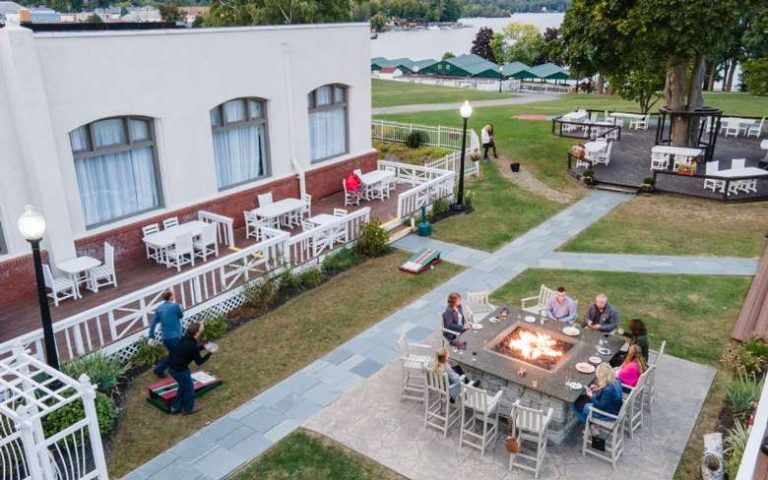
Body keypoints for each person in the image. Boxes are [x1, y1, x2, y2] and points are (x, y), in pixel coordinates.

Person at [167, 322, 212, 414]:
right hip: (180, 370)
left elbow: (192, 349)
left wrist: (203, 346)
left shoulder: (184, 338)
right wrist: (209, 353)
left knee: (183, 386)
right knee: (189, 388)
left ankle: (175, 407)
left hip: (172, 367)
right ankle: (188, 408)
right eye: (200, 331)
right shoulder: (192, 345)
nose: (201, 332)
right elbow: (199, 362)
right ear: (196, 333)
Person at [148, 290, 184, 378]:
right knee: (176, 354)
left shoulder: (159, 308)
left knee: (174, 354)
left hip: (165, 337)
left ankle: (165, 369)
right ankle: (159, 369)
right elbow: (181, 316)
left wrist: (151, 336)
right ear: (170, 297)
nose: (174, 295)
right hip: (174, 336)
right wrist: (180, 309)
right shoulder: (175, 306)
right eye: (173, 294)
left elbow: (153, 323)